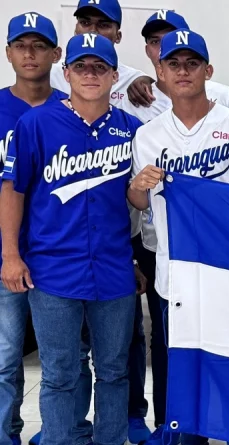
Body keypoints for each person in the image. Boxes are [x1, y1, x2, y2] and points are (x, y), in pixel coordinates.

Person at [127, 30, 229, 444]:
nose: (183, 71)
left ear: (208, 70)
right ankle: (187, 436)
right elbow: (137, 203)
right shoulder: (148, 135)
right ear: (160, 74)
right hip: (176, 274)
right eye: (174, 64)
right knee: (182, 369)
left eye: (192, 63)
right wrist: (138, 185)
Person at [0, 32, 142, 445]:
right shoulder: (36, 123)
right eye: (82, 66)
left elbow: (136, 199)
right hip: (52, 269)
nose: (91, 74)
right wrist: (11, 255)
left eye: (100, 67)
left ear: (115, 75)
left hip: (113, 268)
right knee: (60, 373)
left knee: (114, 372)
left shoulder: (133, 130)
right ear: (67, 73)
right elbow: (13, 190)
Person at [0, 13, 66, 445]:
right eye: (21, 44)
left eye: (39, 45)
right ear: (8, 52)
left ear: (56, 54)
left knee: (64, 357)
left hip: (58, 255)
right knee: (6, 355)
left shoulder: (71, 106)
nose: (29, 53)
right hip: (4, 251)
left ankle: (60, 432)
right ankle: (6, 433)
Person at [51, 0, 148, 108]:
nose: (93, 31)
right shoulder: (51, 75)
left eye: (103, 25)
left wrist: (150, 82)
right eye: (85, 23)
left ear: (118, 36)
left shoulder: (132, 80)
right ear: (76, 30)